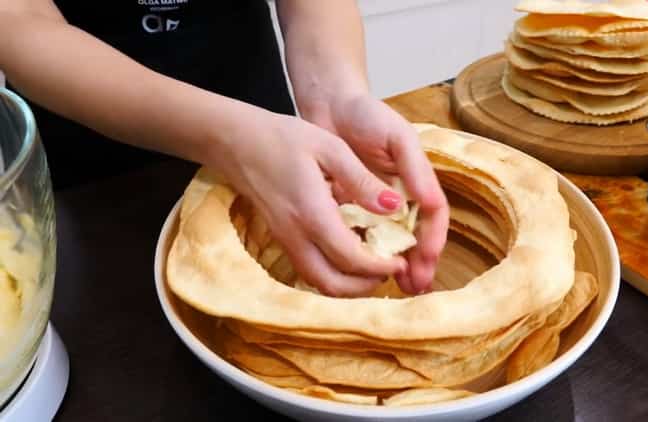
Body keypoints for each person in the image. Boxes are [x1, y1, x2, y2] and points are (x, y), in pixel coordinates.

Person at [0, 0, 449, 298]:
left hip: (269, 141)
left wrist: (339, 97)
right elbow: (19, 20)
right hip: (96, 181)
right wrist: (232, 138)